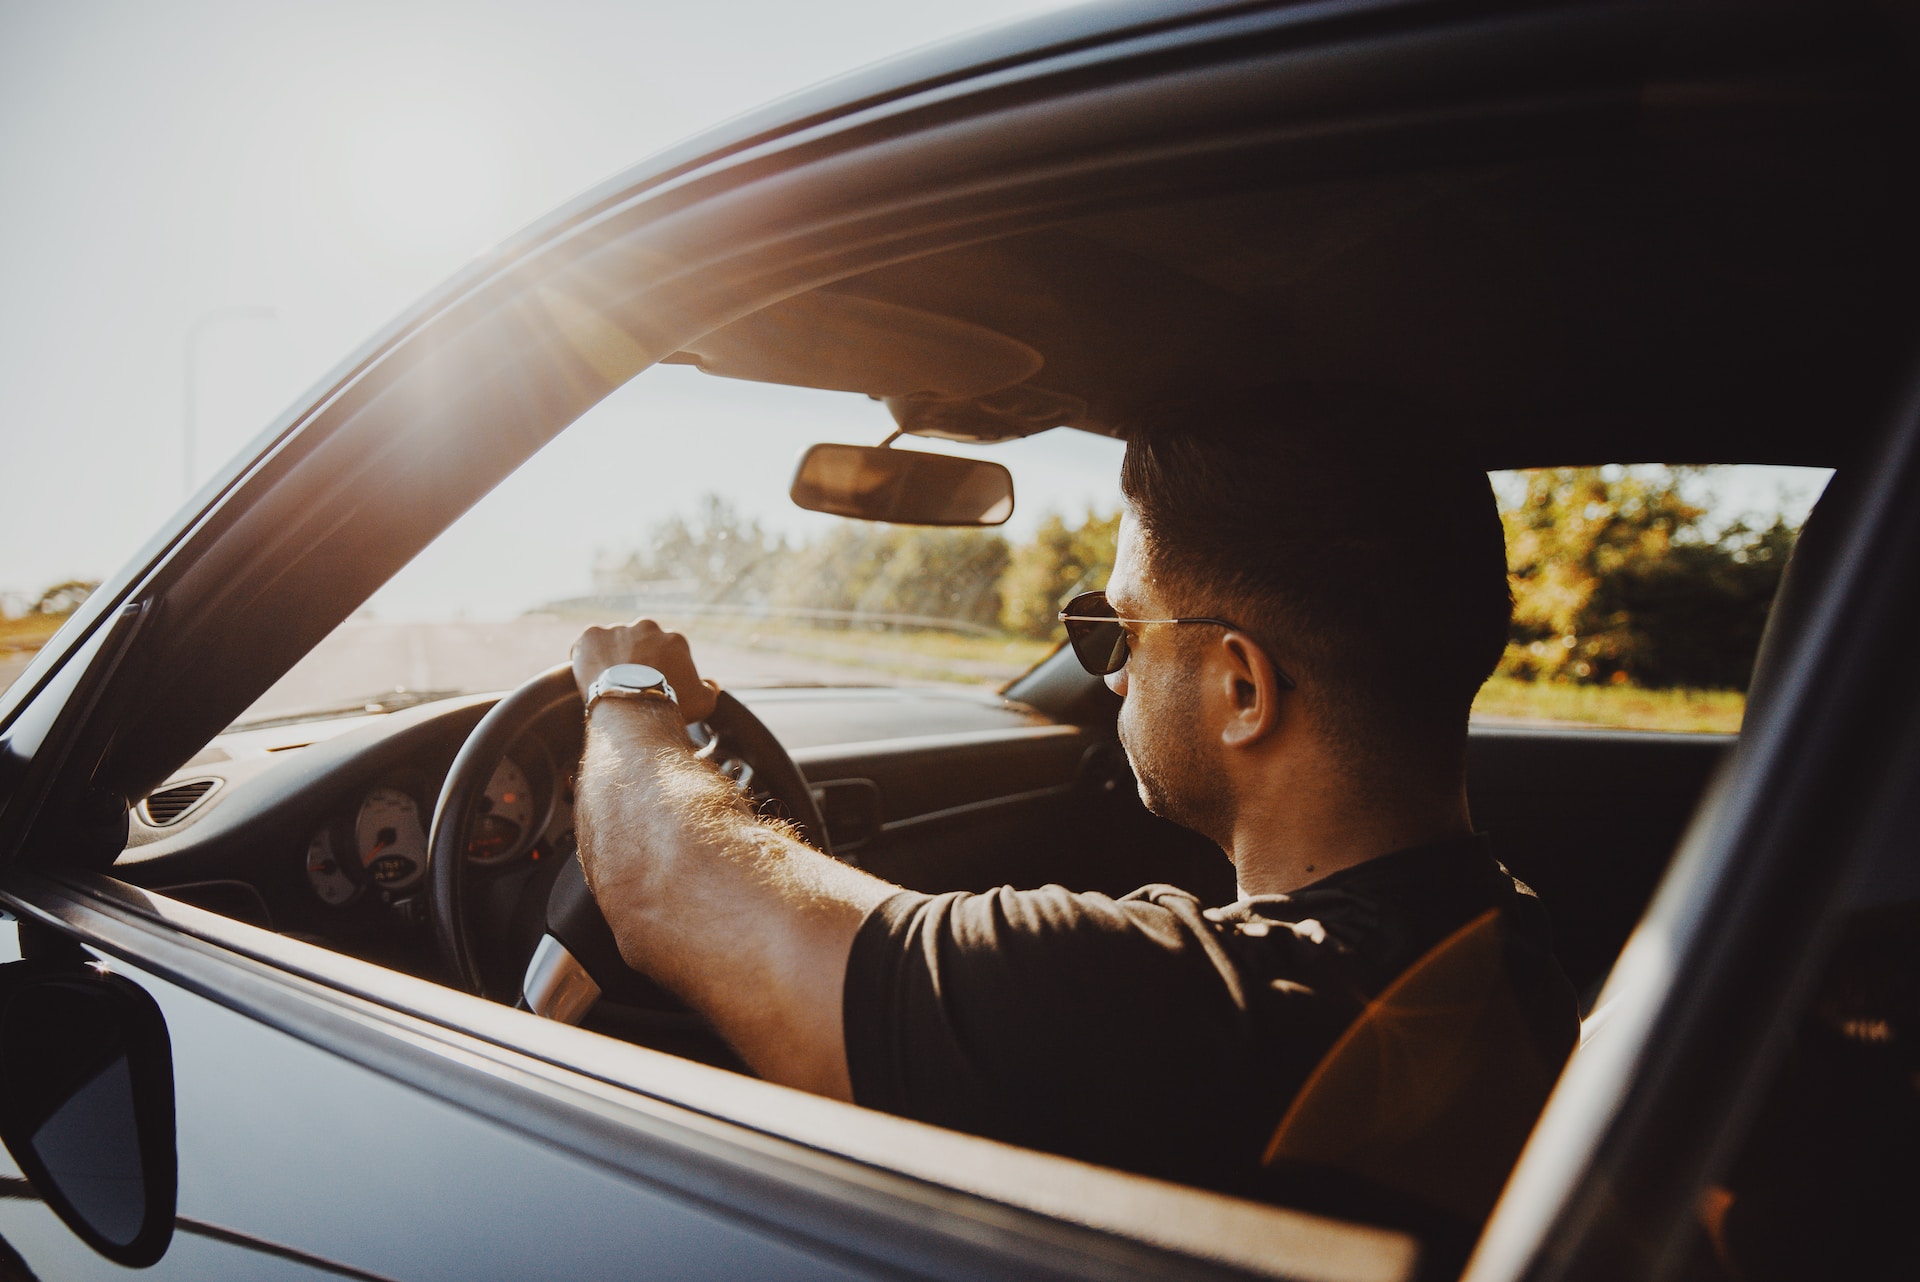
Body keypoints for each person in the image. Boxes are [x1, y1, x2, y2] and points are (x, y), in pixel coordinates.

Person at [568, 388, 1578, 1203]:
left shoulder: (1164, 1009)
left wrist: (628, 693)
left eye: (1119, 628)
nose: (1108, 673)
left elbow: (662, 884)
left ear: (1240, 688)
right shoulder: (1507, 937)